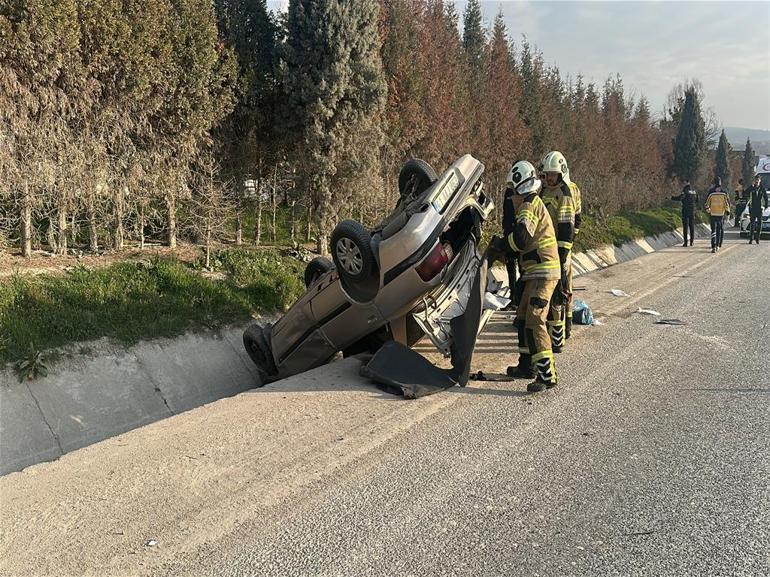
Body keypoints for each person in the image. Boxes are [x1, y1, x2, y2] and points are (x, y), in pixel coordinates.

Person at [490, 160, 560, 393]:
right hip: (534, 273)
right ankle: (526, 366)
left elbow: (520, 238)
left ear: (519, 184)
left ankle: (547, 375)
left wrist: (499, 245)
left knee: (534, 319)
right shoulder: (530, 203)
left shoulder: (529, 204)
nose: (510, 193)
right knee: (521, 319)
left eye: (511, 188)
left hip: (543, 273)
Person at [538, 151, 577, 353]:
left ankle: (558, 339)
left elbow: (566, 229)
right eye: (547, 174)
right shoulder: (544, 192)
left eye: (553, 174)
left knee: (558, 297)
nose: (549, 178)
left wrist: (562, 259)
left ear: (561, 173)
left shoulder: (565, 195)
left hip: (559, 252)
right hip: (544, 251)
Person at [705, 177, 730, 253]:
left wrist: (707, 209)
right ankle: (719, 244)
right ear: (720, 182)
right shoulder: (724, 191)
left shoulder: (711, 191)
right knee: (720, 229)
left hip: (712, 213)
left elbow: (707, 202)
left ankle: (713, 246)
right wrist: (728, 211)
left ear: (714, 183)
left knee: (713, 230)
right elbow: (727, 202)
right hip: (721, 214)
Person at [671, 180, 698, 246]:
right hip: (692, 210)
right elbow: (697, 200)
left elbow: (681, 198)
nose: (683, 184)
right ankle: (692, 241)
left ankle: (686, 242)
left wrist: (672, 197)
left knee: (685, 226)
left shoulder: (685, 190)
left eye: (684, 182)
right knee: (691, 226)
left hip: (686, 210)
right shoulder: (694, 191)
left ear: (686, 183)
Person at [745, 174, 768, 244]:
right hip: (752, 208)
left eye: (758, 180)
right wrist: (751, 186)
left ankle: (757, 238)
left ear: (760, 181)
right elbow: (745, 193)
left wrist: (765, 206)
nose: (757, 181)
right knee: (752, 224)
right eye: (756, 180)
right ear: (754, 181)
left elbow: (766, 198)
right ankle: (751, 239)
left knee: (759, 224)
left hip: (759, 209)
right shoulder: (752, 188)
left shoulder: (762, 188)